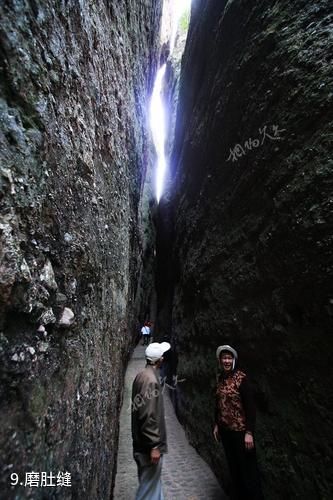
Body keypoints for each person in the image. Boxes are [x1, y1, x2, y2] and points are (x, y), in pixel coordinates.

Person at [213, 344, 264, 500]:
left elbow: (250, 407)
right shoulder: (220, 378)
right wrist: (217, 424)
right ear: (220, 360)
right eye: (224, 358)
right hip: (226, 432)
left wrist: (249, 432)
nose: (227, 361)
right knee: (234, 469)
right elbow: (218, 403)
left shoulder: (241, 378)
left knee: (248, 472)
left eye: (229, 358)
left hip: (241, 433)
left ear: (233, 360)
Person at [131, 341, 171, 500]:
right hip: (147, 448)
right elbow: (148, 416)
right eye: (162, 356)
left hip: (141, 445)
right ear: (159, 360)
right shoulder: (151, 381)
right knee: (147, 491)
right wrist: (154, 445)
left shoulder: (141, 375)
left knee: (152, 486)